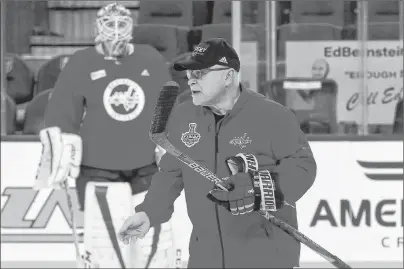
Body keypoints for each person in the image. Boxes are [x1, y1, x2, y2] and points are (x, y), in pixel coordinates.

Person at [119, 38, 317, 268]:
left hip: (265, 255)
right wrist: (148, 213)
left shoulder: (272, 116)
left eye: (200, 73)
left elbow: (303, 166)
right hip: (206, 256)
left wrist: (259, 187)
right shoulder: (184, 117)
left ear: (228, 76)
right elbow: (170, 174)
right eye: (189, 73)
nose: (191, 79)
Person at [35, 2, 172, 268]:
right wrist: (61, 153)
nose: (116, 30)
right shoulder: (82, 61)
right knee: (104, 245)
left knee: (156, 243)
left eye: (122, 24)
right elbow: (61, 113)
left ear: (132, 27)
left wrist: (169, 146)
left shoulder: (150, 58)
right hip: (97, 166)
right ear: (98, 27)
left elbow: (167, 106)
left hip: (147, 165)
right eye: (110, 24)